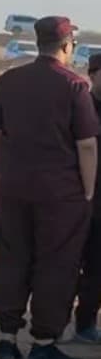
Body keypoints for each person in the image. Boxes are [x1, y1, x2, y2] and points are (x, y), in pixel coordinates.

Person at [0, 15, 99, 359]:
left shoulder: (8, 81)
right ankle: (44, 342)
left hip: (12, 188)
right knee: (56, 263)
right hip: (60, 194)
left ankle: (7, 339)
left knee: (12, 257)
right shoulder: (74, 87)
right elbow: (86, 146)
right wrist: (89, 191)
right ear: (67, 46)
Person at [72, 50, 101, 344]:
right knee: (67, 265)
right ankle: (51, 328)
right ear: (92, 76)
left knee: (96, 268)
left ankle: (86, 322)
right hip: (78, 199)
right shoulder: (82, 107)